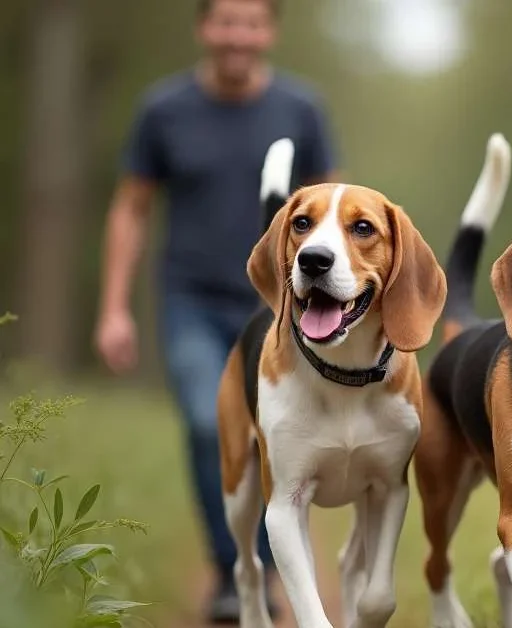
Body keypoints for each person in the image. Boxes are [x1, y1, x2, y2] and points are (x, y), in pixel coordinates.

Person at [92, 0, 339, 621]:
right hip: (193, 299)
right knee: (210, 424)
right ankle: (235, 568)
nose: (238, 35)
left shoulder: (301, 108)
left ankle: (258, 568)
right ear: (204, 28)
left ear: (270, 31)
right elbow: (131, 208)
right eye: (226, 21)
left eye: (251, 22)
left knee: (274, 438)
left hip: (286, 307)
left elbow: (338, 207)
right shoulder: (163, 111)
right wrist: (114, 308)